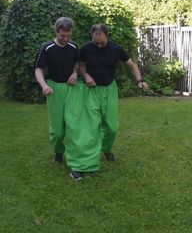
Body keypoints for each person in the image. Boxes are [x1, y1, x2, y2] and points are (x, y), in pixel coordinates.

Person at [79, 23, 148, 172]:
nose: (98, 44)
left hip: (110, 90)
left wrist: (140, 80)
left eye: (101, 41)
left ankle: (106, 148)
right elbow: (80, 65)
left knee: (111, 127)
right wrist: (86, 76)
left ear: (107, 35)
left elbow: (132, 65)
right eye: (95, 41)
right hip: (91, 91)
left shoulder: (116, 49)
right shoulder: (86, 48)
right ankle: (90, 157)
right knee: (92, 126)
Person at [34, 17, 81, 180]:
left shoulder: (74, 46)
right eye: (62, 36)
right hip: (54, 89)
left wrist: (75, 74)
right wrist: (44, 85)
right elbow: (39, 69)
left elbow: (77, 64)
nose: (66, 39)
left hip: (71, 89)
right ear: (56, 32)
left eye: (68, 36)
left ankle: (75, 162)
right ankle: (59, 152)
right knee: (57, 130)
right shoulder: (47, 48)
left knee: (73, 126)